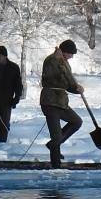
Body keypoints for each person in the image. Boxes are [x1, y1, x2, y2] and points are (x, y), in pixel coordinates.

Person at [40, 40, 84, 168]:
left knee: (76, 121)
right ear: (64, 51)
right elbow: (52, 78)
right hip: (50, 101)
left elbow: (66, 83)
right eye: (71, 53)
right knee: (56, 134)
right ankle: (56, 163)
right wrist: (74, 86)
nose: (72, 56)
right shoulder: (51, 60)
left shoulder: (64, 62)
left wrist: (76, 89)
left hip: (61, 101)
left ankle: (53, 144)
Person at [0, 45, 23, 143]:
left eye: (0, 55)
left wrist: (17, 97)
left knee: (4, 123)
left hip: (7, 100)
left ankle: (2, 143)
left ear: (5, 56)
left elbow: (18, 84)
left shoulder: (14, 67)